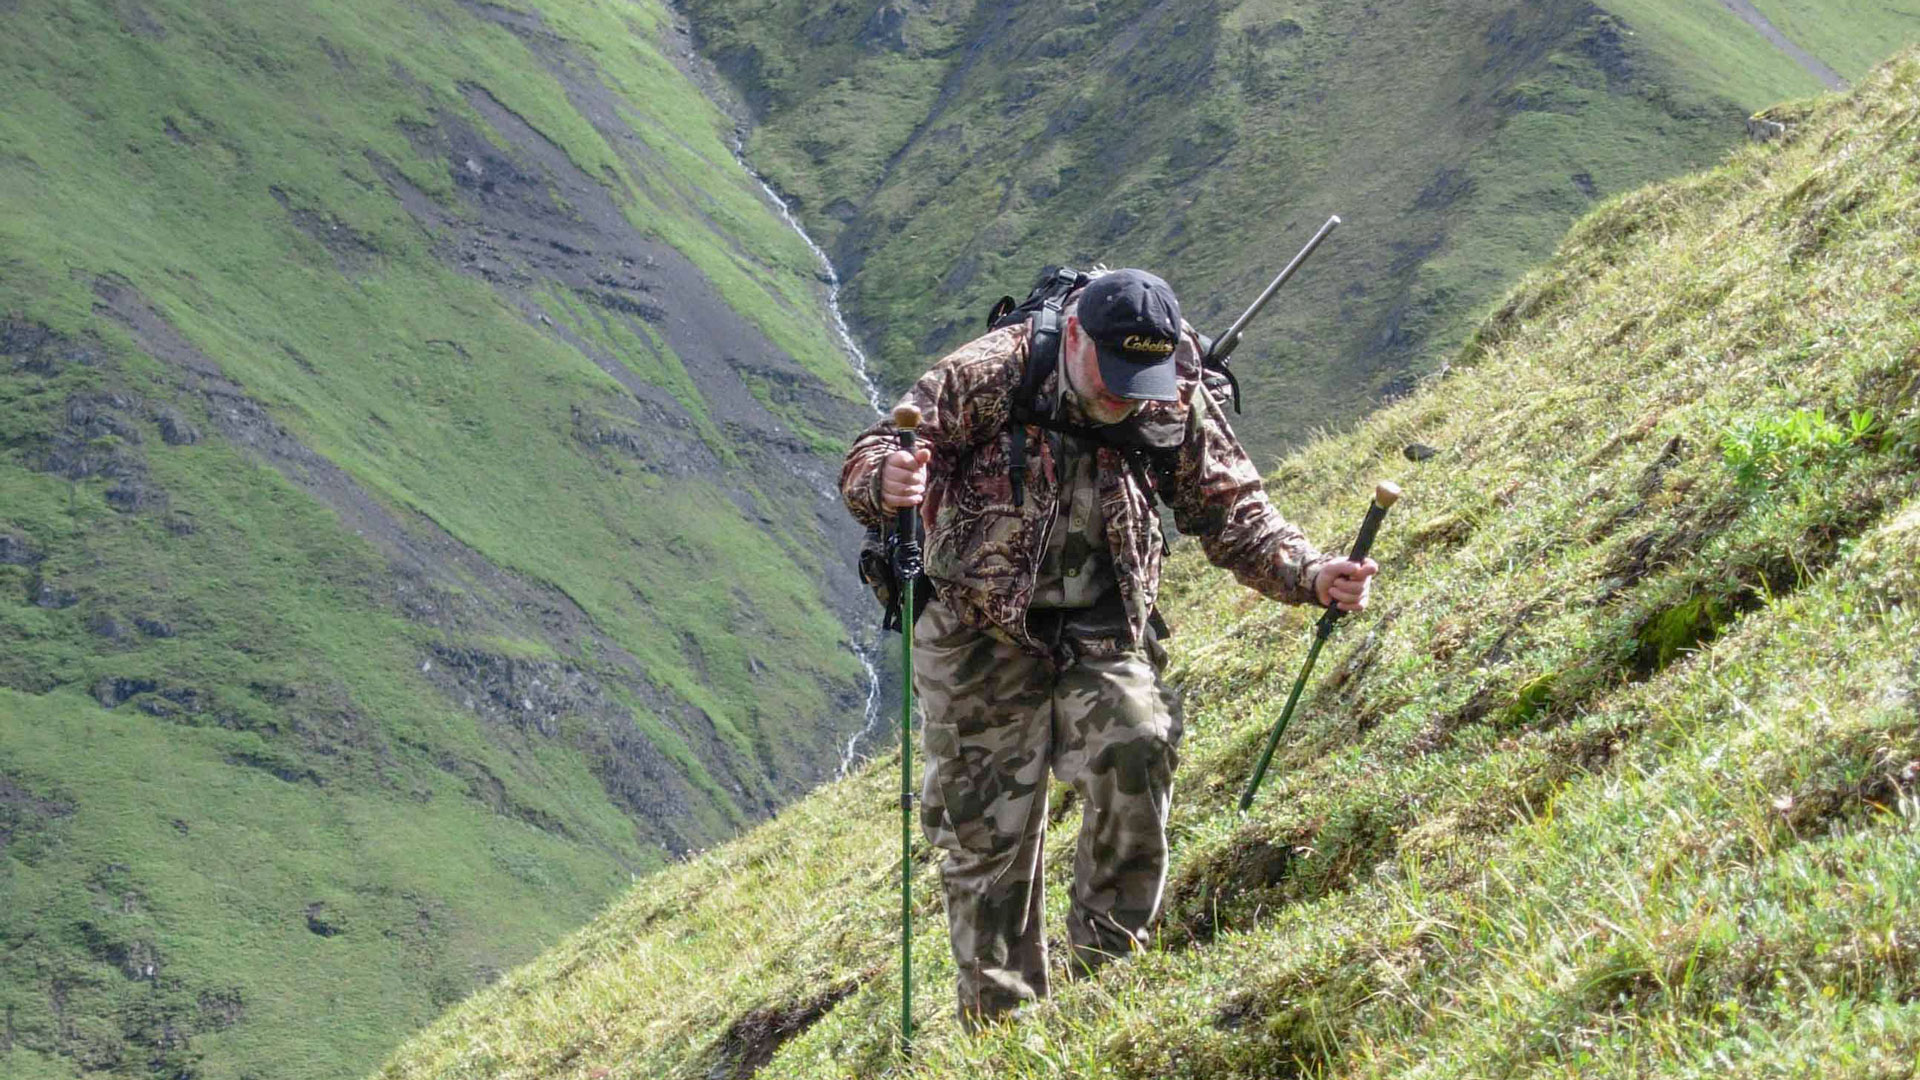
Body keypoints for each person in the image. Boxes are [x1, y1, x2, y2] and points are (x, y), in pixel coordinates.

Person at [839, 268, 1377, 1028]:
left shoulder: (1173, 390)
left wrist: (1313, 573)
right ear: (1078, 338)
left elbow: (1231, 508)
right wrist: (886, 480)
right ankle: (1006, 1033)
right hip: (976, 635)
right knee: (987, 838)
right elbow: (876, 453)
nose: (1128, 395)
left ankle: (1107, 987)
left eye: (1144, 378)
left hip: (1101, 624)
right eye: (1115, 374)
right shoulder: (993, 368)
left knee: (1139, 744)